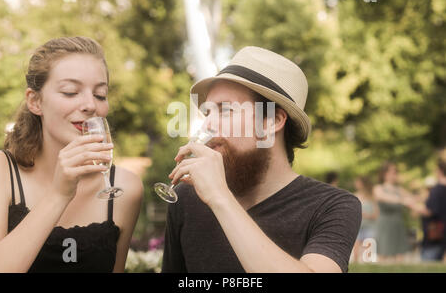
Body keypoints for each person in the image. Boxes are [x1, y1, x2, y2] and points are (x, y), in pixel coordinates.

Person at [161, 46, 362, 273]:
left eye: (225, 110)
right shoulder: (188, 198)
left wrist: (220, 198)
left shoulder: (331, 205)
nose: (207, 125)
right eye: (207, 112)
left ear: (272, 122)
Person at [0, 36, 144, 272]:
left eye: (100, 95)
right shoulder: (1, 171)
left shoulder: (126, 188)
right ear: (35, 102)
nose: (90, 105)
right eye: (70, 92)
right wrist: (59, 195)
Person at [407, 150, 446, 262]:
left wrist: (413, 206)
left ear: (439, 171)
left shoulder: (437, 189)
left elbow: (430, 211)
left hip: (435, 234)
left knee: (428, 263)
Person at [373, 161, 412, 263]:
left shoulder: (400, 189)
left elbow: (413, 200)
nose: (395, 175)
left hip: (398, 223)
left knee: (399, 253)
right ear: (385, 174)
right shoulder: (378, 188)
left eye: (395, 172)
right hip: (385, 223)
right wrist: (402, 200)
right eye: (392, 172)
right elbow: (382, 197)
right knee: (383, 252)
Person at [352, 176, 379, 263]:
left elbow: (376, 214)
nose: (356, 184)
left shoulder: (372, 197)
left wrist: (365, 215)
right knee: (355, 253)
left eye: (358, 182)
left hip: (370, 227)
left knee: (368, 255)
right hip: (357, 228)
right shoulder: (354, 195)